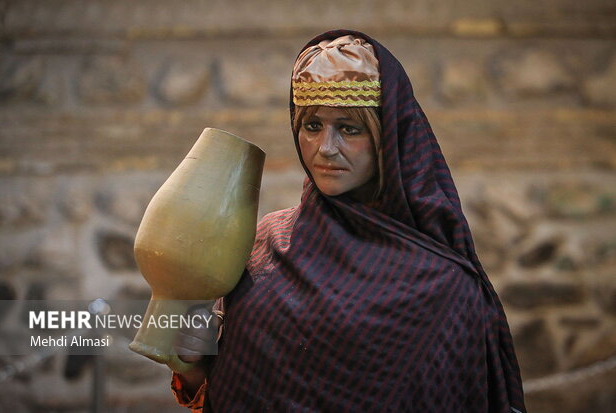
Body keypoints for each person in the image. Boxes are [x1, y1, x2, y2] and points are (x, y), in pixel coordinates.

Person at [170, 29, 526, 412]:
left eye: (349, 129)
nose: (325, 148)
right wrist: (191, 365)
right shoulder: (263, 242)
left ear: (386, 138)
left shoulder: (446, 288)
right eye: (312, 126)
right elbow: (220, 388)